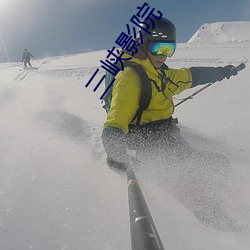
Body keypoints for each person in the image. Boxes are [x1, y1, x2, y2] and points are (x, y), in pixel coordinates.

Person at [102, 16, 246, 231]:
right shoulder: (130, 77)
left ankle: (242, 202)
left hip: (170, 138)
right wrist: (114, 146)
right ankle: (232, 232)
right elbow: (116, 118)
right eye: (159, 49)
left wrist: (221, 72)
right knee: (194, 189)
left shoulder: (162, 74)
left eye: (169, 50)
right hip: (147, 145)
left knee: (217, 164)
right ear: (144, 44)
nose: (163, 56)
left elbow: (191, 76)